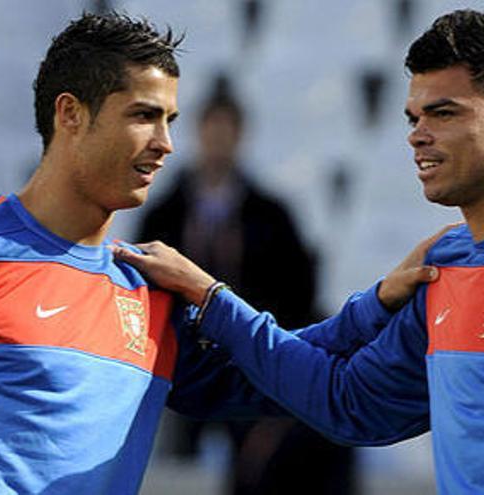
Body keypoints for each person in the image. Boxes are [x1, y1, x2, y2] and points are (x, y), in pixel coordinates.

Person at [116, 9, 484, 493]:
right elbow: (346, 403)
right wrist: (212, 300)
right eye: (413, 116)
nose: (417, 134)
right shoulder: (449, 265)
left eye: (443, 112)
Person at [0, 12, 437, 494]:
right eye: (144, 117)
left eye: (171, 120)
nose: (166, 145)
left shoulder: (145, 290)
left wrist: (377, 304)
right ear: (71, 114)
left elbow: (277, 373)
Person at [137, 74, 356, 494]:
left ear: (240, 135)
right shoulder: (164, 213)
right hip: (181, 358)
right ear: (199, 133)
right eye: (211, 130)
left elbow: (301, 289)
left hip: (255, 358)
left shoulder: (271, 213)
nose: (218, 141)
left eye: (227, 131)